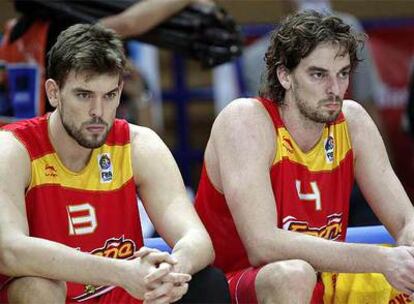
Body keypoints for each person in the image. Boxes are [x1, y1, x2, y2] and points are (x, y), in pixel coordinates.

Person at [0, 24, 230, 304]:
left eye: (109, 95)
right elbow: (9, 250)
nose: (98, 112)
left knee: (207, 282)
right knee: (37, 288)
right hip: (63, 295)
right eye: (84, 95)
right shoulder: (13, 149)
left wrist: (172, 270)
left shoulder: (139, 144)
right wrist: (120, 272)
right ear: (53, 92)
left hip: (129, 294)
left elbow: (197, 239)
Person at [195, 10, 414, 304]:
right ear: (285, 75)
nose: (334, 89)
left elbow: (405, 219)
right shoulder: (245, 121)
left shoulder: (353, 122)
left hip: (323, 278)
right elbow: (263, 245)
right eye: (318, 74)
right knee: (293, 275)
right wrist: (382, 259)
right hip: (233, 282)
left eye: (343, 74)